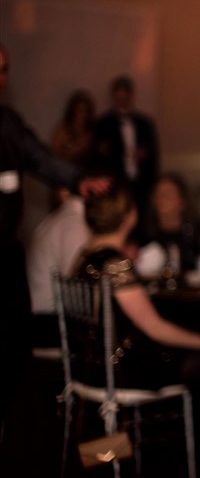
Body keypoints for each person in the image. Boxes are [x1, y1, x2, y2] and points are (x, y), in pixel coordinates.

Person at [0, 43, 109, 431]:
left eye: (5, 69)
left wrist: (79, 180)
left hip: (6, 252)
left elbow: (40, 157)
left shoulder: (7, 122)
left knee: (14, 354)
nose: (1, 78)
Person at [73, 182, 200, 388]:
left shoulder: (84, 256)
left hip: (87, 364)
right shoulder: (114, 265)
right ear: (130, 215)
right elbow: (155, 328)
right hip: (117, 370)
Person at [92, 74, 160, 225]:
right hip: (117, 184)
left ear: (131, 96)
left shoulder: (145, 123)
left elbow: (154, 156)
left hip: (141, 184)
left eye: (125, 98)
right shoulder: (103, 124)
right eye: (119, 99)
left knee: (144, 221)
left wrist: (144, 156)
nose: (122, 103)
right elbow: (99, 157)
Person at [26, 187, 89, 347]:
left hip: (42, 323)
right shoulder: (73, 223)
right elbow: (78, 291)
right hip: (48, 326)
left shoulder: (61, 217)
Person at [135, 172, 200, 280]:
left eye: (168, 194)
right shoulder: (142, 234)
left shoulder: (197, 234)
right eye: (158, 193)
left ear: (182, 201)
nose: (161, 198)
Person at [50, 88, 97, 170]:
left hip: (87, 174)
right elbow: (52, 158)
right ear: (73, 112)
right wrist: (75, 149)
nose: (83, 115)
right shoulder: (62, 130)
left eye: (86, 111)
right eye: (80, 111)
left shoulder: (91, 131)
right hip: (65, 173)